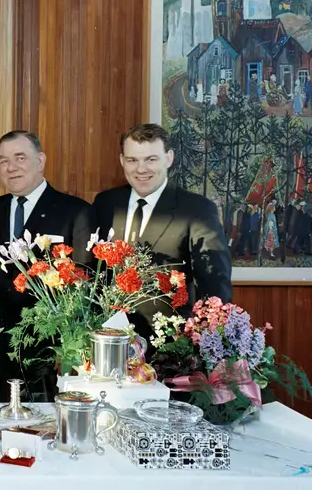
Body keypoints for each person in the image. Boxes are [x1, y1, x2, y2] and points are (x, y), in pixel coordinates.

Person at [0, 131, 94, 397]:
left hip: (49, 351)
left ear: (40, 161)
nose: (11, 167)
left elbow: (84, 282)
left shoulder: (75, 211)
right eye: (3, 160)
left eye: (20, 158)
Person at [92, 123, 232, 333]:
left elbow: (214, 284)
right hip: (109, 341)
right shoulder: (105, 203)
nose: (141, 169)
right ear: (122, 160)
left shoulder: (198, 210)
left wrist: (207, 339)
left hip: (169, 347)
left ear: (169, 158)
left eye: (151, 159)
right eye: (132, 160)